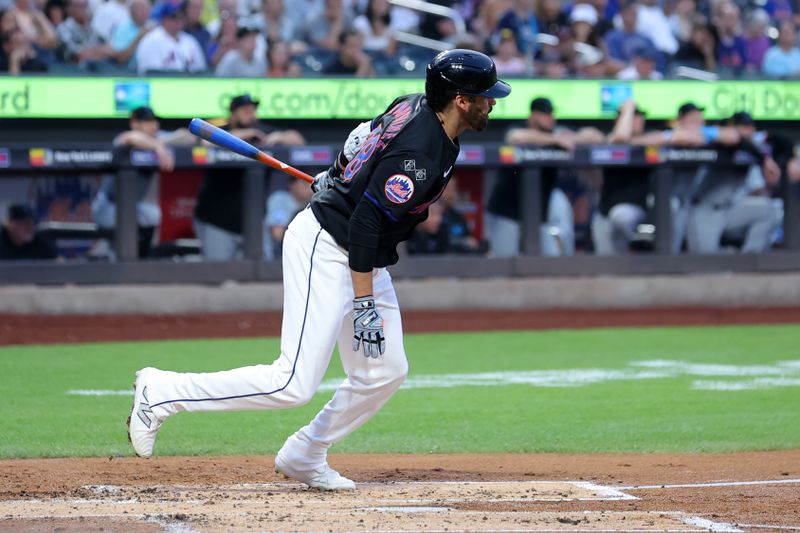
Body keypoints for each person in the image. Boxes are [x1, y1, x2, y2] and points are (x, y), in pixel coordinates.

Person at [127, 49, 511, 490]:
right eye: (485, 96)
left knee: (384, 371)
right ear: (461, 101)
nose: (492, 103)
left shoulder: (413, 103)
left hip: (363, 254)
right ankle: (162, 393)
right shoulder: (420, 153)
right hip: (328, 246)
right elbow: (366, 225)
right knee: (291, 382)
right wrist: (364, 301)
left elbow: (361, 137)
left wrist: (340, 172)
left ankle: (306, 452)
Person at [193, 94, 305, 261]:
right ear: (233, 113)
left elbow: (298, 140)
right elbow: (200, 143)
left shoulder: (261, 132)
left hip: (252, 222)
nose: (250, 114)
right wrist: (243, 135)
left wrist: (279, 137)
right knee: (218, 275)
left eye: (252, 110)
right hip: (217, 219)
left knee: (257, 275)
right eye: (245, 110)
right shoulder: (220, 131)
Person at [487, 96, 602, 256]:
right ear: (533, 116)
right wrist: (555, 139)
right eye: (545, 114)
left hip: (540, 212)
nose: (551, 118)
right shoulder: (521, 128)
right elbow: (515, 136)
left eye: (551, 114)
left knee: (548, 258)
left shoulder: (557, 132)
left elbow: (596, 136)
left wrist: (570, 138)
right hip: (507, 209)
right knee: (504, 259)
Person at [92, 106, 195, 258]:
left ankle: (141, 259)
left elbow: (187, 137)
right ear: (135, 124)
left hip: (133, 207)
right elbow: (130, 138)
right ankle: (115, 259)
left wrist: (161, 142)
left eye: (154, 121)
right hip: (108, 206)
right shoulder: (123, 139)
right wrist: (157, 146)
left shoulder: (156, 137)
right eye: (147, 122)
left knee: (152, 214)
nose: (153, 125)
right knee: (120, 249)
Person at [135, 0, 206, 74]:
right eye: (174, 17)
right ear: (164, 19)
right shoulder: (151, 41)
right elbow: (151, 73)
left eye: (181, 17)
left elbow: (202, 70)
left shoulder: (190, 41)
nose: (179, 21)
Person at [263, 177, 314, 260]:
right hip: (273, 258)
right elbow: (278, 234)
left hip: (300, 256)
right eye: (305, 184)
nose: (310, 188)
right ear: (292, 185)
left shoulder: (313, 202)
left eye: (311, 184)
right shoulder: (280, 199)